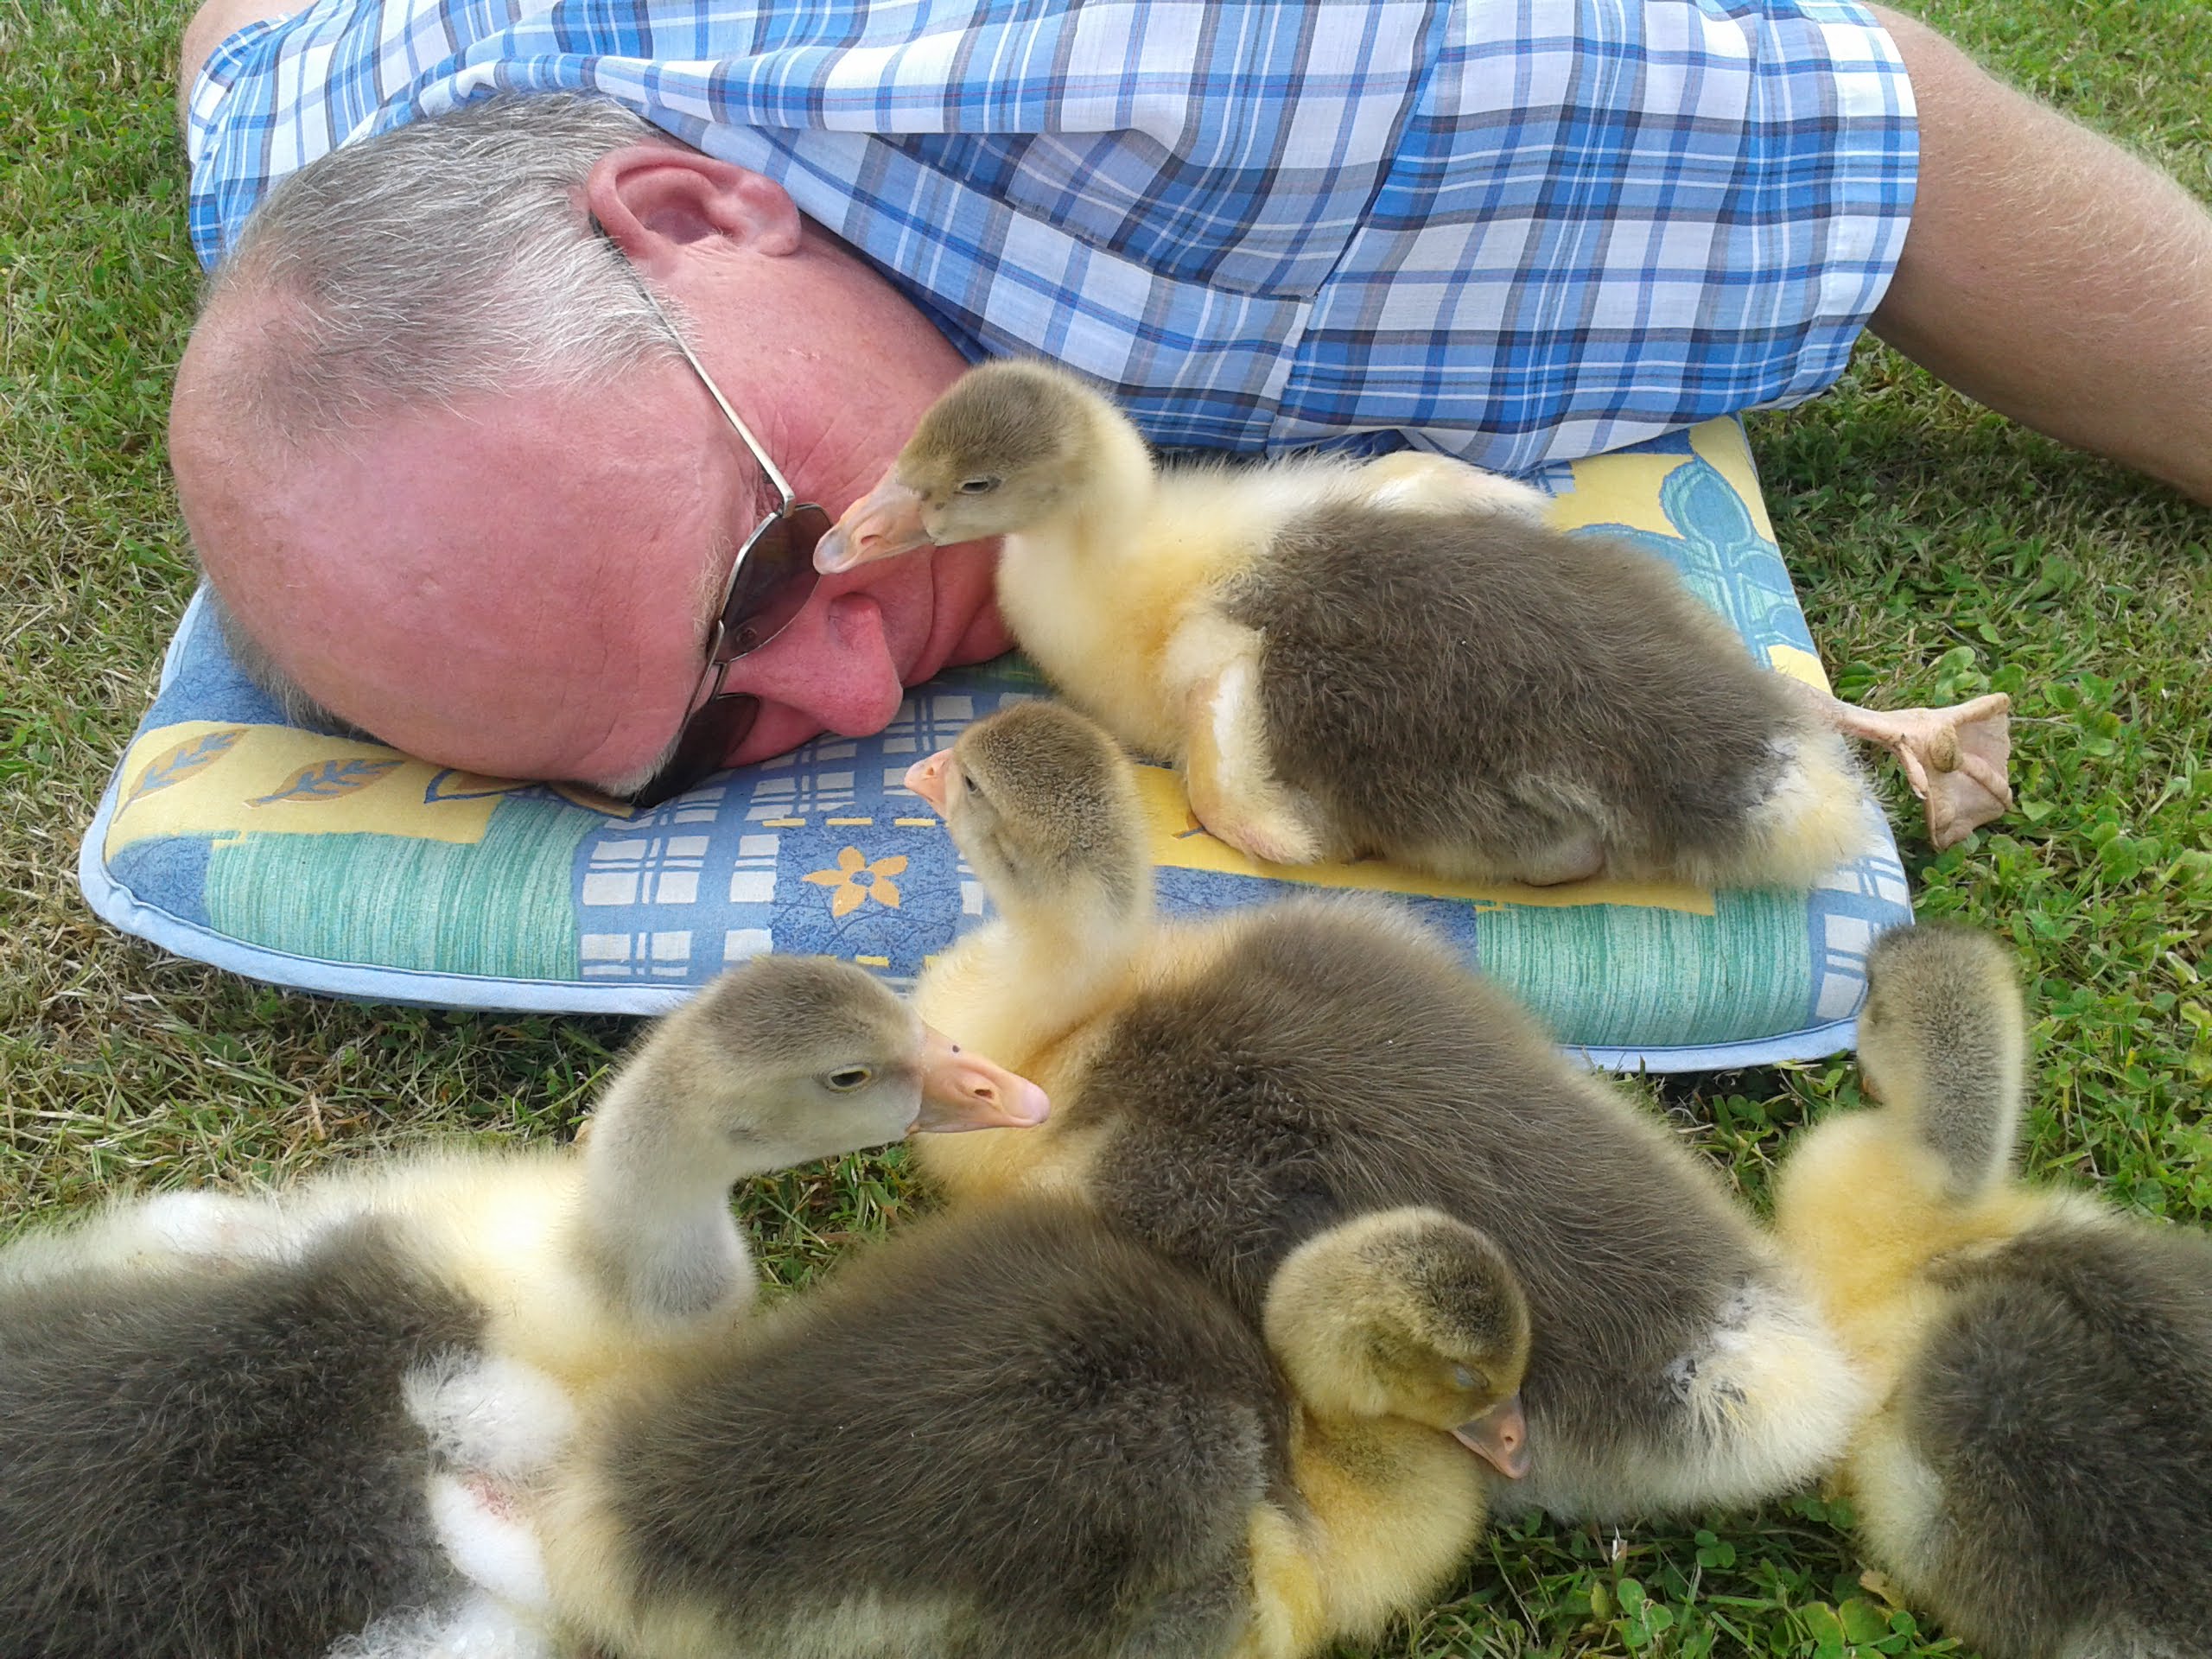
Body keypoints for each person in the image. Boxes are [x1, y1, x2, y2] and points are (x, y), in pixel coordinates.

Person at [169, 0, 2212, 803]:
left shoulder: (1227, 117)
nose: (861, 701)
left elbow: (1868, 129)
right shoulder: (316, 175)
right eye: (711, 736)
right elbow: (240, 50)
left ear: (706, 210)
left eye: (774, 557)